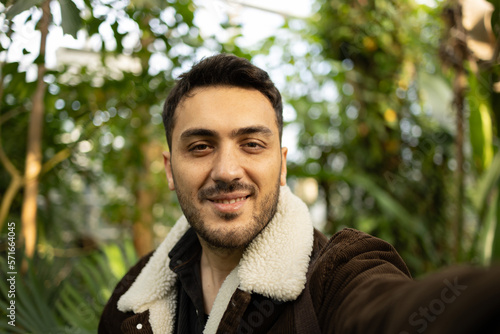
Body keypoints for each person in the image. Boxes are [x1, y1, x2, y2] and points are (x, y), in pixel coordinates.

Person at [99, 54, 500, 334]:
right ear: (171, 170)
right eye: (201, 146)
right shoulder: (133, 303)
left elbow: (393, 310)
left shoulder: (335, 275)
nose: (226, 171)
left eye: (252, 144)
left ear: (283, 165)